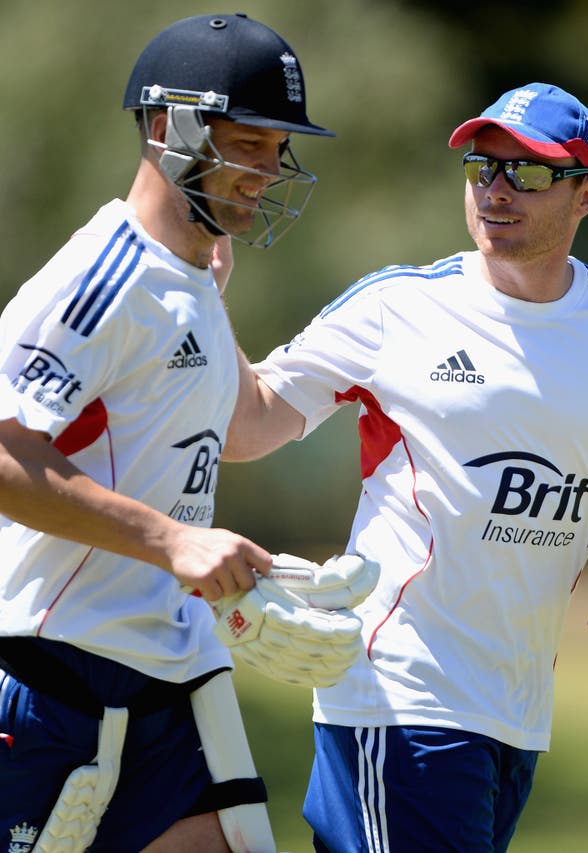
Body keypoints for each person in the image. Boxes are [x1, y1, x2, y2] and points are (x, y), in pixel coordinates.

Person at [223, 82, 588, 851]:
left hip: (516, 711)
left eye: (531, 172)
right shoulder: (396, 308)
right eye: (484, 168)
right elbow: (247, 425)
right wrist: (195, 295)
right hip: (398, 695)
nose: (497, 190)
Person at [0, 12, 346, 852]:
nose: (270, 172)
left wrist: (379, 370)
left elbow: (243, 427)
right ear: (169, 125)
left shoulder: (196, 276)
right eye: (250, 144)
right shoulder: (105, 275)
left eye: (278, 148)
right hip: (56, 671)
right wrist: (171, 542)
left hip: (168, 667)